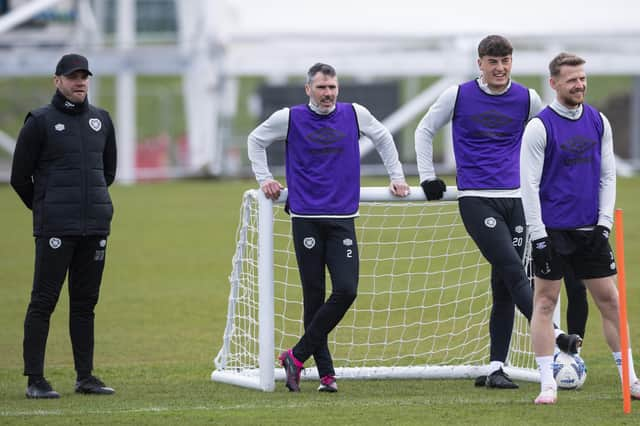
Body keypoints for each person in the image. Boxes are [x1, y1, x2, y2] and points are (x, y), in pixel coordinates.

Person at [414, 35, 582, 389]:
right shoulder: (457, 95)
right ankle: (558, 337)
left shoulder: (527, 98)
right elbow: (425, 130)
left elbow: (549, 134)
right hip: (477, 199)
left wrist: (554, 181)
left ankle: (495, 367)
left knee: (505, 285)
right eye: (493, 61)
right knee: (513, 270)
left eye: (505, 60)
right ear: (480, 64)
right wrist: (428, 176)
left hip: (517, 200)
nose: (500, 68)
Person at [248, 62, 410, 392]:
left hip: (342, 218)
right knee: (314, 296)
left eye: (333, 87)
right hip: (305, 217)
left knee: (347, 290)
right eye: (322, 88)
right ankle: (326, 375)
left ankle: (295, 356)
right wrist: (265, 179)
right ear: (309, 89)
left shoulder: (354, 114)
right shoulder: (289, 117)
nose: (328, 93)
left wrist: (397, 177)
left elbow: (383, 137)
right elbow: (255, 139)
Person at [521, 52, 640, 405]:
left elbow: (607, 175)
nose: (580, 85)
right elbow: (528, 184)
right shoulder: (539, 127)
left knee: (611, 302)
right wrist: (538, 234)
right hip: (552, 231)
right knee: (545, 303)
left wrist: (603, 223)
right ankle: (547, 383)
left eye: (583, 78)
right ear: (554, 83)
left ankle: (630, 378)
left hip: (591, 230)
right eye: (572, 79)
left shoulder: (599, 121)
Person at [10, 53, 117, 399]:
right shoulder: (39, 121)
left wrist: (92, 206)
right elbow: (18, 177)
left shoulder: (101, 120)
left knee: (85, 304)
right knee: (43, 302)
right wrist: (45, 209)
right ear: (57, 81)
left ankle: (85, 377)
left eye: (84, 76)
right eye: (73, 77)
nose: (80, 82)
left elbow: (108, 173)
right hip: (55, 229)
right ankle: (35, 380)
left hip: (94, 229)